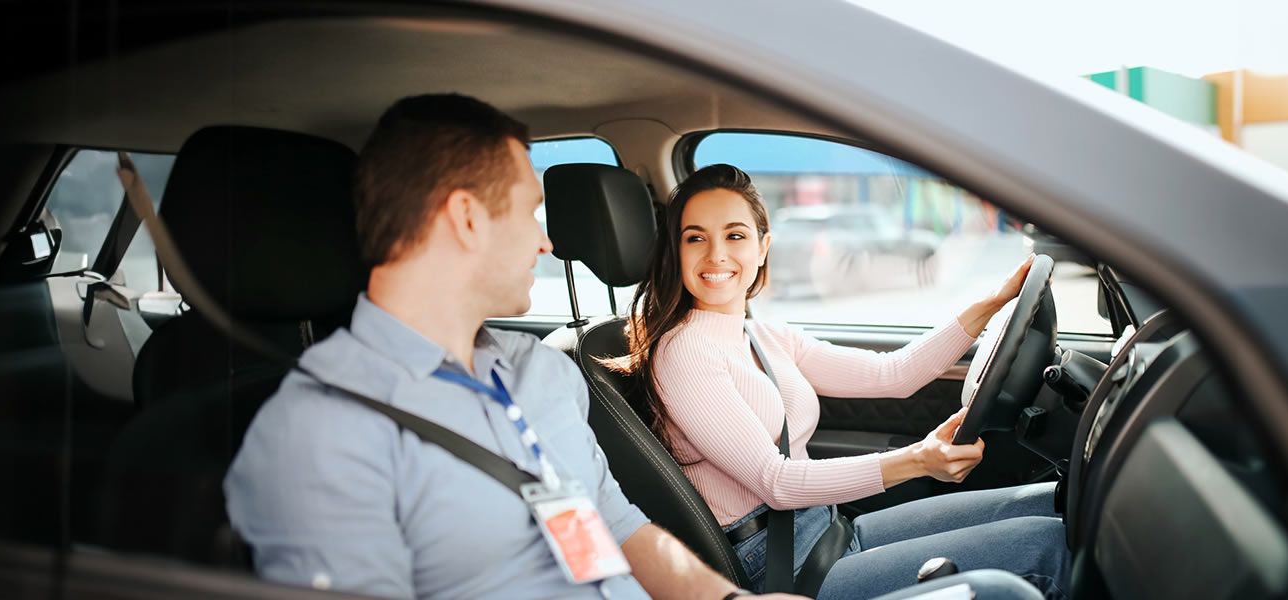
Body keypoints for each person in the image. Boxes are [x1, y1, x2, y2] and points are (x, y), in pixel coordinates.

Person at [222, 95, 804, 600]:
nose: (546, 241)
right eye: (530, 211)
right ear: (468, 219)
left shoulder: (540, 373)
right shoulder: (320, 432)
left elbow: (620, 527)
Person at [602, 164, 1070, 599]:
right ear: (676, 251)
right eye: (695, 238)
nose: (717, 254)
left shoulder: (759, 333)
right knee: (1045, 550)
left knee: (1051, 506)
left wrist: (992, 301)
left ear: (763, 247)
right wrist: (916, 460)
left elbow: (894, 373)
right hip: (777, 563)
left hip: (824, 530)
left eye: (735, 235)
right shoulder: (684, 351)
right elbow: (777, 482)